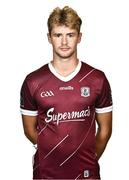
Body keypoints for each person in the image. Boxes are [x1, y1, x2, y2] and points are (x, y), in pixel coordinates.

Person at [20, 6, 113, 180]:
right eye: (58, 35)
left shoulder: (97, 79)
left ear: (79, 37)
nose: (64, 42)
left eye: (70, 35)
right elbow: (29, 129)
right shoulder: (33, 81)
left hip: (86, 174)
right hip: (46, 174)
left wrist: (88, 159)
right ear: (49, 38)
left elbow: (105, 130)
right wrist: (53, 154)